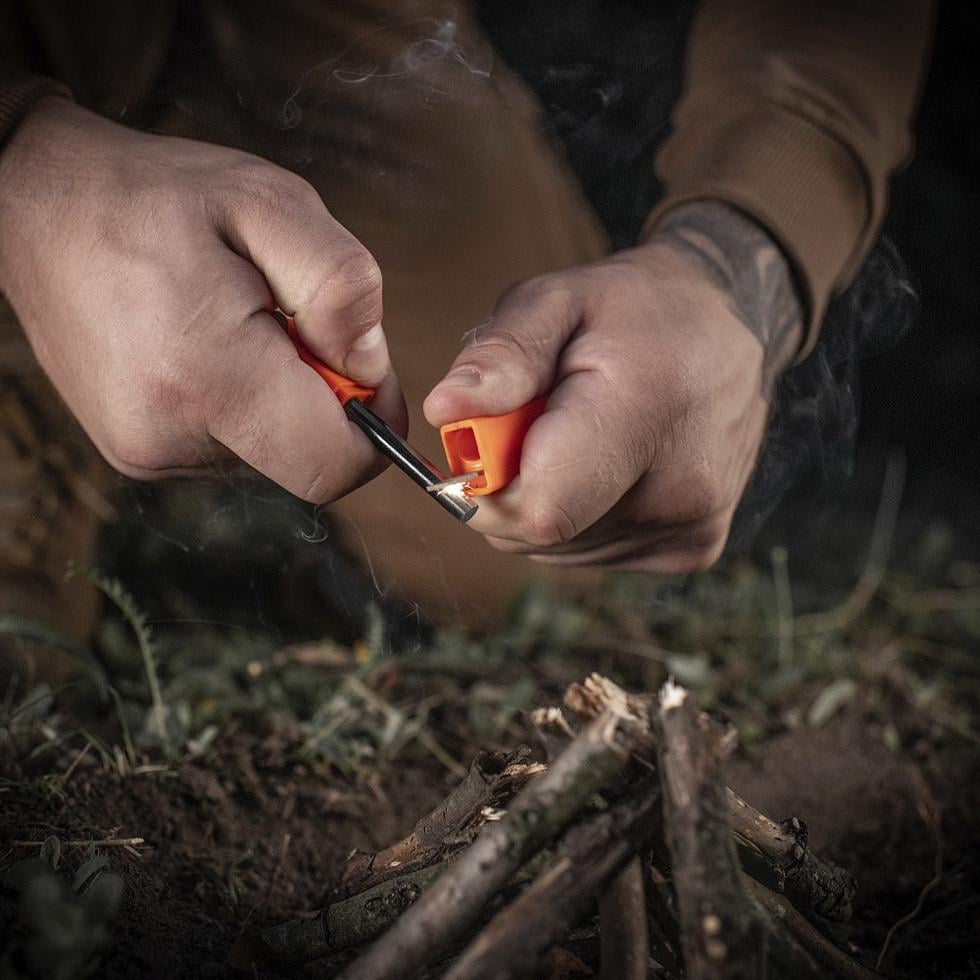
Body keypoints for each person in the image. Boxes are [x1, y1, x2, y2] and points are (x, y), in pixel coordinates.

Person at [0, 1, 932, 648]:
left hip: (327, 27)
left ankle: (191, 166)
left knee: (532, 555)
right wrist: (28, 168)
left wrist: (730, 265)